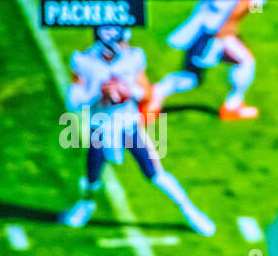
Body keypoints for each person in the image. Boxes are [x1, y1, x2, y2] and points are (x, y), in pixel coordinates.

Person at [60, 26, 215, 237]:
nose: (126, 45)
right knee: (92, 177)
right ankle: (85, 206)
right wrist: (99, 93)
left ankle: (190, 210)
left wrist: (128, 90)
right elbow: (73, 101)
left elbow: (147, 93)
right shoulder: (84, 61)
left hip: (127, 124)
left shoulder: (133, 58)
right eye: (122, 41)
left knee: (155, 173)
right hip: (101, 127)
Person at [144, 0, 278, 122]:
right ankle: (231, 107)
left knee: (193, 77)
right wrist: (230, 29)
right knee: (245, 62)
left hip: (199, 28)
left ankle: (152, 101)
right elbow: (243, 6)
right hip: (215, 33)